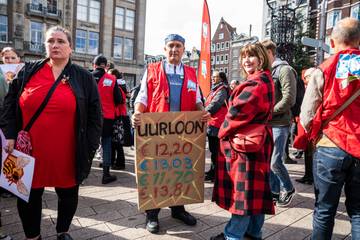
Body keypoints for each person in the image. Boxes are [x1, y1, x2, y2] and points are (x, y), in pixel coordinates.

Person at [0, 26, 102, 240]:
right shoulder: (26, 71)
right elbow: (9, 106)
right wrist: (9, 135)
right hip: (27, 150)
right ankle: (32, 236)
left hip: (68, 150)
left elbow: (95, 115)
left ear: (70, 47)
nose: (55, 45)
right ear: (45, 45)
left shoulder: (84, 77)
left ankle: (62, 231)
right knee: (27, 195)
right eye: (50, 41)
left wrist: (91, 146)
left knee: (68, 193)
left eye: (61, 41)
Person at [132, 33, 210, 234]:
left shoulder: (192, 74)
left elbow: (198, 100)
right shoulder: (152, 70)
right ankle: (152, 213)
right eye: (171, 46)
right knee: (156, 172)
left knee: (180, 170)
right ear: (165, 49)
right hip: (158, 133)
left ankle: (178, 209)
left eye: (178, 46)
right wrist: (137, 114)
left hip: (182, 134)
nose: (174, 49)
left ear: (184, 50)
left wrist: (202, 112)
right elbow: (143, 96)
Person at [300, 18, 360, 240]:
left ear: (332, 42)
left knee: (325, 210)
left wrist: (311, 138)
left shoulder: (324, 69)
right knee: (358, 211)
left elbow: (306, 114)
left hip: (330, 145)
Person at [211, 42, 275, 240]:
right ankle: (253, 233)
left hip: (245, 145)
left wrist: (221, 132)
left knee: (243, 195)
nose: (247, 60)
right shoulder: (265, 80)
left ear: (261, 58)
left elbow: (235, 115)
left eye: (252, 56)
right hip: (257, 141)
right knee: (256, 193)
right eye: (244, 56)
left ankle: (234, 235)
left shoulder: (255, 84)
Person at [262, 39, 297, 207]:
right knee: (269, 160)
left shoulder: (284, 69)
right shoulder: (267, 71)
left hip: (279, 123)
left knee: (275, 161)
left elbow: (289, 98)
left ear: (269, 52)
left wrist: (269, 112)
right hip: (268, 123)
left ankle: (289, 188)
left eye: (261, 53)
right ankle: (274, 193)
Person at [92, 55, 122, 184]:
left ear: (94, 65)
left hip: (90, 117)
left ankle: (82, 172)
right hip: (107, 117)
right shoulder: (112, 79)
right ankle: (106, 174)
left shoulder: (88, 76)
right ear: (106, 66)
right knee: (106, 142)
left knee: (87, 143)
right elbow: (119, 99)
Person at [204, 71, 229, 182]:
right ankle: (213, 171)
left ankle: (216, 173)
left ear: (221, 78)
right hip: (212, 123)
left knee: (216, 151)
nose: (213, 79)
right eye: (212, 77)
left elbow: (215, 104)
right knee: (213, 150)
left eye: (215, 77)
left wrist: (203, 113)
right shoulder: (215, 89)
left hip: (217, 124)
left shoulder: (222, 90)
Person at [293, 68, 316, 185]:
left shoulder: (315, 88)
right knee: (307, 151)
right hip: (306, 123)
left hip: (312, 125)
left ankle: (311, 176)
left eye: (308, 77)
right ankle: (308, 175)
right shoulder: (306, 87)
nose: (306, 79)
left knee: (311, 152)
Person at [108, 68, 127, 170]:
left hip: (118, 116)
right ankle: (115, 162)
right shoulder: (120, 86)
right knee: (116, 142)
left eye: (110, 74)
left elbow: (119, 101)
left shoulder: (118, 88)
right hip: (118, 116)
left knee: (117, 142)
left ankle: (120, 163)